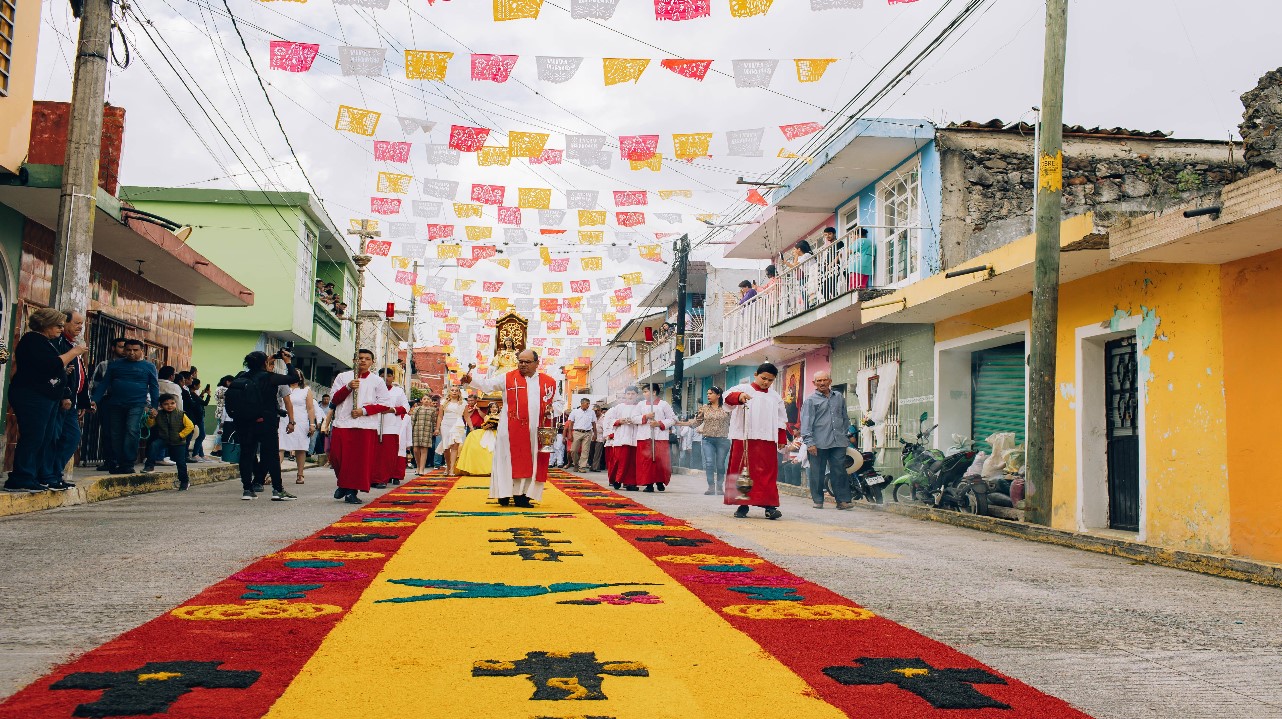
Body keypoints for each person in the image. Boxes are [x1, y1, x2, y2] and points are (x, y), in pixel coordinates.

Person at [461, 349, 557, 508]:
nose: (523, 365)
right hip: (510, 430)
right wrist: (471, 380)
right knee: (506, 461)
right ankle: (503, 493)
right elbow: (487, 385)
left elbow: (558, 403)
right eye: (521, 361)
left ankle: (523, 496)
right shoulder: (508, 377)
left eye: (527, 362)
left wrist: (552, 410)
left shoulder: (548, 382)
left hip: (534, 432)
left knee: (530, 462)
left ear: (536, 363)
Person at [4, 309, 87, 492]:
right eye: (57, 325)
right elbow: (50, 364)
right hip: (31, 396)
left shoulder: (46, 342)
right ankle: (21, 477)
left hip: (46, 397)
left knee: (44, 437)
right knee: (33, 436)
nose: (60, 329)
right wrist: (74, 352)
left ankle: (33, 475)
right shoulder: (32, 340)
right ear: (45, 324)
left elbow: (47, 368)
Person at [226, 350, 300, 502]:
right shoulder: (269, 378)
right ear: (265, 363)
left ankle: (247, 490)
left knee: (247, 454)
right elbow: (294, 378)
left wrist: (266, 360)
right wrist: (287, 362)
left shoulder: (241, 377)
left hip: (244, 422)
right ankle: (278, 490)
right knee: (271, 455)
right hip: (266, 422)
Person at [327, 349, 394, 504]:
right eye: (360, 358)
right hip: (343, 422)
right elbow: (334, 400)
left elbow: (385, 404)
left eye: (367, 358)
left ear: (372, 362)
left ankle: (351, 491)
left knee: (358, 461)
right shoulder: (343, 377)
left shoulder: (377, 381)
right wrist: (348, 387)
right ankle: (344, 484)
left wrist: (363, 411)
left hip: (365, 425)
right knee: (337, 457)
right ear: (354, 360)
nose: (363, 361)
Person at [724, 363, 788, 520]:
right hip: (744, 437)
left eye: (770, 380)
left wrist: (781, 437)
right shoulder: (743, 388)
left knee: (766, 472)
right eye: (763, 378)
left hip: (767, 438)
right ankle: (742, 505)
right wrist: (738, 397)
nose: (766, 382)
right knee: (742, 471)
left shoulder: (775, 396)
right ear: (755, 374)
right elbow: (727, 398)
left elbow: (781, 419)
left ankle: (769, 506)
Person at [89, 339, 159, 475]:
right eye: (128, 350)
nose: (131, 353)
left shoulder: (149, 367)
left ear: (142, 351)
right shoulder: (115, 365)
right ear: (124, 350)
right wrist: (94, 400)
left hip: (137, 404)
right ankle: (119, 462)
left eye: (135, 350)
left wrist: (154, 407)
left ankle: (128, 463)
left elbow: (154, 388)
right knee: (115, 434)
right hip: (115, 404)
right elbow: (103, 384)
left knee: (132, 431)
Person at [802, 370, 853, 510]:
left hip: (838, 442)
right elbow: (806, 422)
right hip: (818, 443)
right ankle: (818, 500)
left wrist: (845, 434)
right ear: (814, 383)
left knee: (840, 471)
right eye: (819, 381)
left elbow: (844, 417)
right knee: (817, 473)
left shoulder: (839, 397)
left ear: (830, 381)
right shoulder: (810, 400)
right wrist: (809, 442)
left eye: (825, 380)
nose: (822, 383)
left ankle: (842, 501)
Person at [50, 311, 89, 488]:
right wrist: (65, 395)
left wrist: (83, 401)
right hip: (61, 401)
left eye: (82, 324)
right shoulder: (61, 344)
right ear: (64, 323)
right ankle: (51, 474)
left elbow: (80, 377)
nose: (80, 327)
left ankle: (55, 473)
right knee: (60, 437)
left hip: (72, 402)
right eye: (76, 323)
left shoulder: (74, 345)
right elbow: (60, 372)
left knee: (72, 437)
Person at [680, 387, 731, 495]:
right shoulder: (704, 408)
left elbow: (734, 422)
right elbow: (696, 422)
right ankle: (711, 487)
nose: (708, 395)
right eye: (707, 393)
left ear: (718, 395)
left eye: (711, 393)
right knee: (709, 463)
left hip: (723, 440)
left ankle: (719, 487)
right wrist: (679, 423)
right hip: (708, 440)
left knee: (720, 464)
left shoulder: (727, 408)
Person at [89, 337, 127, 471]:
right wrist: (95, 401)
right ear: (113, 348)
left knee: (126, 431)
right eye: (120, 347)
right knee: (107, 432)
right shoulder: (104, 365)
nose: (124, 350)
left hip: (126, 402)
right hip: (107, 401)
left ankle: (123, 461)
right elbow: (95, 385)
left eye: (125, 347)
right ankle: (109, 460)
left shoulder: (133, 366)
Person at [633, 383, 677, 492]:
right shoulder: (641, 404)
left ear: (654, 392)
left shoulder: (664, 404)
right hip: (644, 436)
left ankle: (660, 481)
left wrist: (659, 423)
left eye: (646, 391)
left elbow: (673, 419)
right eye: (643, 392)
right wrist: (646, 416)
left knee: (660, 460)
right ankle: (649, 484)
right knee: (646, 461)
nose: (644, 394)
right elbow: (633, 418)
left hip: (660, 437)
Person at [145, 393, 193, 490]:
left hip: (178, 442)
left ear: (175, 403)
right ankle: (149, 465)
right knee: (154, 445)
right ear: (161, 406)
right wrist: (151, 417)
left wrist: (181, 435)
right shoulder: (159, 415)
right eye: (166, 404)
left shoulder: (181, 414)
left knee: (180, 462)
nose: (170, 406)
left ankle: (184, 481)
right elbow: (149, 425)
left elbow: (190, 426)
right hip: (164, 439)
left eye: (172, 403)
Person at [278, 370, 316, 485]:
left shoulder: (305, 389)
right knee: (280, 447)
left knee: (300, 448)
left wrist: (312, 424)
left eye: (297, 375)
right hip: (284, 420)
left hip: (301, 421)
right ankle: (274, 474)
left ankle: (300, 474)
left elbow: (310, 408)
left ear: (301, 377)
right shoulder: (283, 388)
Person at [377, 369, 411, 487]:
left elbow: (406, 407)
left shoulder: (398, 391)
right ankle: (373, 478)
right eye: (382, 376)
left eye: (388, 376)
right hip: (374, 425)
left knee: (387, 454)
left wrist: (392, 410)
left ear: (393, 378)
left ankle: (383, 479)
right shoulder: (374, 390)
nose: (385, 378)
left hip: (391, 426)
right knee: (375, 454)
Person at [606, 386, 641, 491]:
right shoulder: (619, 407)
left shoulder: (640, 407)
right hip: (621, 437)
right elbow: (609, 420)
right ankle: (616, 480)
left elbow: (642, 419)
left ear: (637, 395)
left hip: (634, 436)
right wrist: (619, 421)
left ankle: (630, 483)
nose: (630, 396)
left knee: (632, 462)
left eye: (633, 394)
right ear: (625, 395)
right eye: (628, 394)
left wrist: (634, 420)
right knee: (620, 460)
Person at [456, 397, 499, 476]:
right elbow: (484, 426)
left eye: (496, 407)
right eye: (493, 407)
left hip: (497, 433)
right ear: (489, 409)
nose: (495, 409)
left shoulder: (501, 416)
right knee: (473, 438)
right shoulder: (487, 417)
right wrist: (487, 426)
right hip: (488, 432)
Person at [437, 386, 467, 475]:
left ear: (459, 392)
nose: (454, 392)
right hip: (445, 424)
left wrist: (471, 427)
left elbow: (466, 416)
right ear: (449, 392)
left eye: (456, 391)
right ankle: (448, 465)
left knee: (455, 447)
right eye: (452, 390)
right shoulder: (444, 402)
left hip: (457, 424)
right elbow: (440, 416)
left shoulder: (463, 403)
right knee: (446, 447)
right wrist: (437, 428)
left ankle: (452, 469)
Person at [410, 394, 439, 473]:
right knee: (415, 449)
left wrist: (435, 430)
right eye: (424, 399)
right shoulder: (417, 409)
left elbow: (434, 421)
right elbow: (413, 420)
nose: (426, 400)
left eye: (428, 399)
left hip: (427, 430)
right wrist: (410, 430)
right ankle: (418, 466)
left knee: (424, 449)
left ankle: (422, 469)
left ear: (430, 401)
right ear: (421, 400)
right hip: (416, 430)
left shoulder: (433, 410)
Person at [567, 397, 595, 472]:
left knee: (585, 450)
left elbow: (594, 423)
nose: (588, 405)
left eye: (589, 404)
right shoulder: (575, 412)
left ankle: (582, 467)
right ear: (582, 404)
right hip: (577, 432)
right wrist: (570, 433)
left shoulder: (591, 412)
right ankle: (576, 464)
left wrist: (595, 434)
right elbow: (571, 423)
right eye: (587, 404)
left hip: (588, 433)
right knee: (573, 450)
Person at [186, 376, 209, 462]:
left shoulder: (193, 394)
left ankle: (200, 454)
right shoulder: (192, 394)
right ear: (195, 386)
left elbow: (198, 402)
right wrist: (209, 395)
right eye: (199, 385)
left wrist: (202, 394)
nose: (199, 386)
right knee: (201, 435)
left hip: (196, 417)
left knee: (199, 436)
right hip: (198, 418)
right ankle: (195, 453)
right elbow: (204, 403)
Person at [211, 375, 234, 457]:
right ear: (227, 382)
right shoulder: (224, 390)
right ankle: (216, 449)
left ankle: (217, 448)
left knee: (220, 431)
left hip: (219, 412)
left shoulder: (218, 389)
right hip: (223, 413)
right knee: (220, 432)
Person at [589, 403, 608, 472]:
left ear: (599, 411)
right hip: (591, 436)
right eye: (594, 411)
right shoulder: (592, 418)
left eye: (596, 411)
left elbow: (605, 428)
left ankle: (595, 467)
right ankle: (591, 465)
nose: (595, 413)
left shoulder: (604, 418)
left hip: (600, 437)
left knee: (597, 453)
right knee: (591, 452)